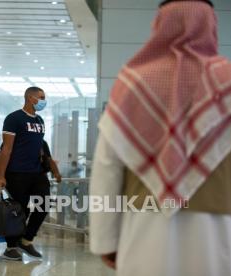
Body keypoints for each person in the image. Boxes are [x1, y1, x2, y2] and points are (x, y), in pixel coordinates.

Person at [89, 1, 231, 276]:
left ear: (159, 25)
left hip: (143, 230)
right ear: (211, 25)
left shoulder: (132, 82)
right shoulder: (227, 82)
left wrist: (105, 241)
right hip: (219, 232)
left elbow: (106, 169)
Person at [0, 86, 50, 261]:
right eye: (41, 97)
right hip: (16, 172)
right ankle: (11, 247)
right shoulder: (14, 118)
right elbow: (6, 149)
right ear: (31, 98)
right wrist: (0, 175)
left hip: (36, 172)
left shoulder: (40, 121)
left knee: (43, 204)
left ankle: (26, 240)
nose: (44, 100)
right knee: (18, 211)